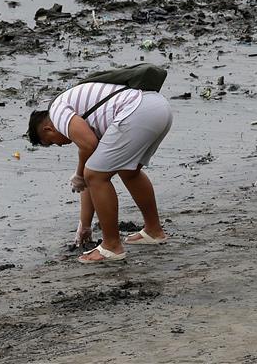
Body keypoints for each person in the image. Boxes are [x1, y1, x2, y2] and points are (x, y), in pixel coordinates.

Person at [27, 81, 172, 263]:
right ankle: (153, 231)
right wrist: (84, 225)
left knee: (95, 175)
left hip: (137, 111)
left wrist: (80, 174)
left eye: (50, 142)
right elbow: (90, 169)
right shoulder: (79, 113)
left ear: (48, 129)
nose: (58, 145)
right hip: (158, 107)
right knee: (128, 171)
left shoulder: (57, 112)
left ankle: (111, 246)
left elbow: (90, 152)